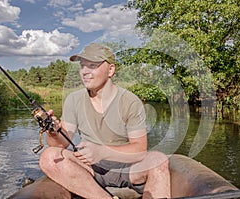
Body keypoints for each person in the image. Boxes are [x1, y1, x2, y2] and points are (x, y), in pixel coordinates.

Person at [39, 43, 171, 199]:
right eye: (82, 66)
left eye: (92, 65)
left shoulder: (130, 101)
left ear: (111, 70)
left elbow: (140, 149)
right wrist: (53, 131)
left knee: (158, 159)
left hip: (127, 168)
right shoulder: (73, 99)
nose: (85, 72)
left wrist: (102, 152)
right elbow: (60, 145)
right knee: (48, 156)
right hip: (89, 168)